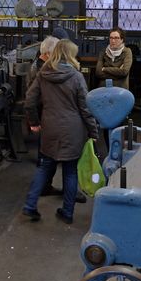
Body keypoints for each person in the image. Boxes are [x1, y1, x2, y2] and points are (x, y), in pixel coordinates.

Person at [22, 39, 98, 224]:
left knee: (44, 167)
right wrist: (93, 131)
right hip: (72, 130)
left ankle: (30, 205)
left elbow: (29, 101)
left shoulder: (43, 74)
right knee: (70, 171)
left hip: (49, 128)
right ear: (70, 55)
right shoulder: (76, 77)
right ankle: (67, 212)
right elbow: (85, 108)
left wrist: (34, 122)